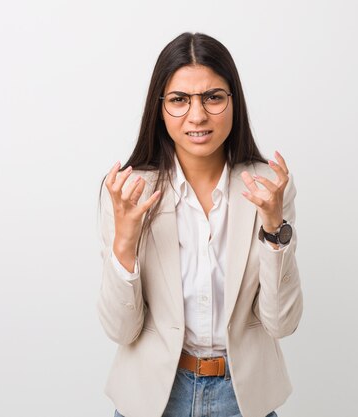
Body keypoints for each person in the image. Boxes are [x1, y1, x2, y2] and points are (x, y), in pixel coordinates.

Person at [97, 32, 303, 417]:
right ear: (159, 108)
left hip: (243, 399)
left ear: (233, 102)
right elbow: (121, 331)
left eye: (213, 97)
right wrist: (124, 244)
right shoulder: (129, 192)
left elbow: (282, 323)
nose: (197, 115)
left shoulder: (267, 187)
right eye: (179, 100)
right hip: (153, 398)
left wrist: (275, 228)